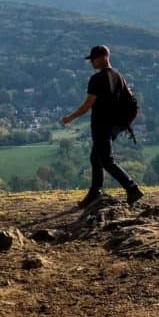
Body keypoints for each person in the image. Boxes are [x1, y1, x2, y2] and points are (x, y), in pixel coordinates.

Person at [61, 44, 144, 207]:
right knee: (96, 158)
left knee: (106, 160)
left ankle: (132, 188)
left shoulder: (97, 79)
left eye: (94, 59)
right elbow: (131, 100)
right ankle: (95, 192)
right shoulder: (118, 76)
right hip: (115, 126)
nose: (91, 62)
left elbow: (87, 104)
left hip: (101, 126)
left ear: (104, 58)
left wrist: (70, 118)